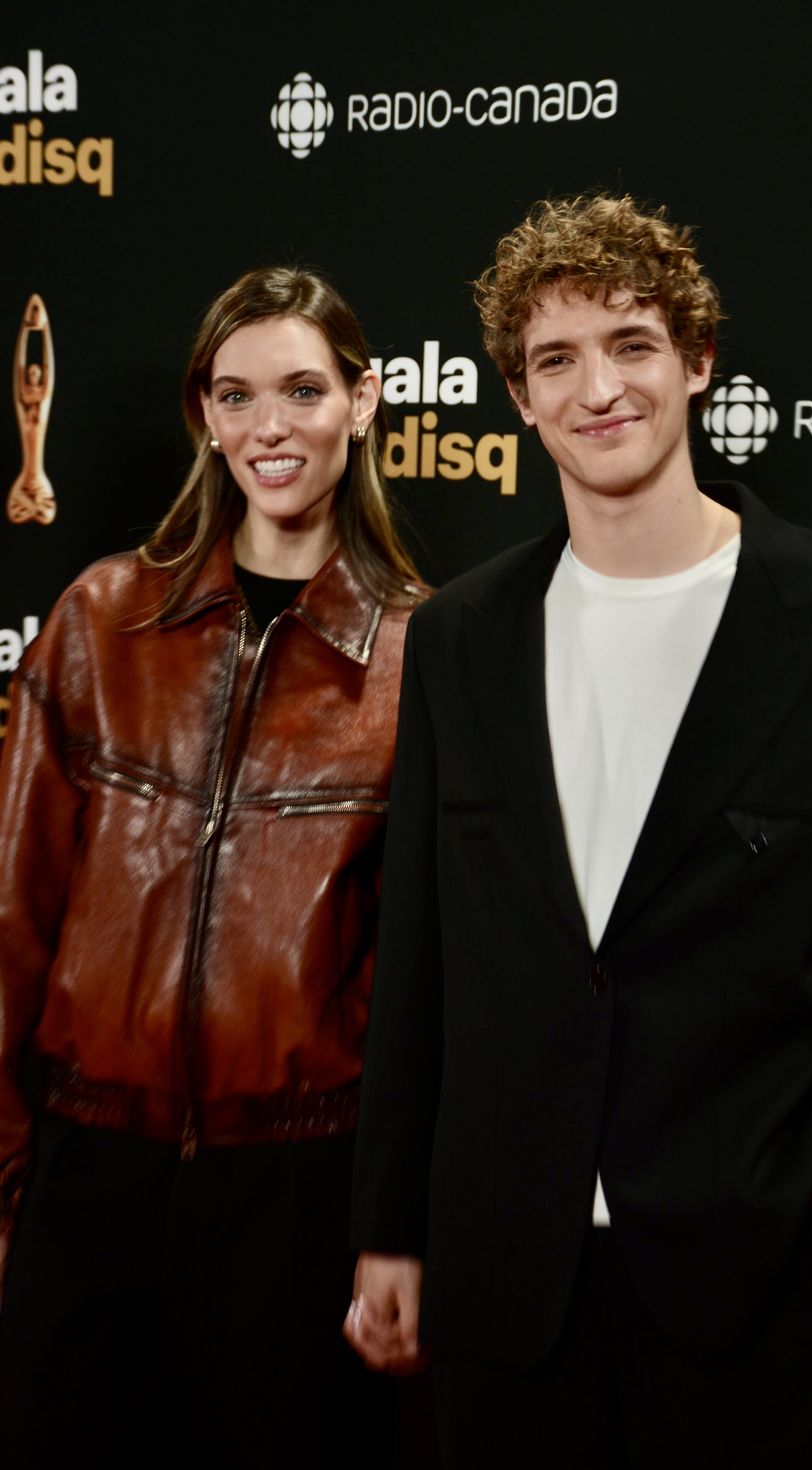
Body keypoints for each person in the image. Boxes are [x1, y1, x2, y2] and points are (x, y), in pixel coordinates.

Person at [345, 195, 812, 1468]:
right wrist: (391, 1225)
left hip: (743, 1280)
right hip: (502, 1277)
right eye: (553, 360)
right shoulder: (459, 635)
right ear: (515, 398)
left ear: (696, 361)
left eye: (629, 342)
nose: (597, 389)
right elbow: (420, 958)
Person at [0, 266, 421, 1468]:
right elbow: (11, 916)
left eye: (301, 390)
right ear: (204, 415)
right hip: (88, 1179)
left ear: (366, 400)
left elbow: (425, 981)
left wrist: (393, 1220)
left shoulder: (427, 654)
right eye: (235, 396)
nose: (268, 428)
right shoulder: (100, 621)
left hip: (299, 1195)